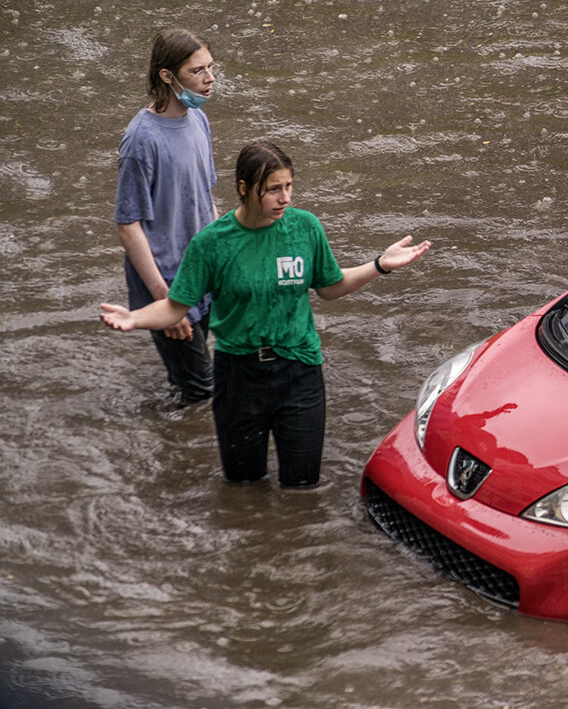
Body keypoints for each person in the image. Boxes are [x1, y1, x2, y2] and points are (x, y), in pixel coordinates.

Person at [101, 141, 432, 488]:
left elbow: (331, 286)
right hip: (238, 376)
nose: (285, 198)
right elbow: (175, 307)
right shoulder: (213, 243)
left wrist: (379, 265)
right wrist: (134, 318)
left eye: (288, 186)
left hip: (299, 371)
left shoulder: (304, 227)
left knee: (302, 487)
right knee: (242, 485)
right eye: (273, 189)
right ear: (244, 189)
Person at [114, 28, 220, 405]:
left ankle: (168, 438)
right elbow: (128, 225)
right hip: (168, 284)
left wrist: (225, 262)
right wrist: (169, 300)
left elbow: (206, 201)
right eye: (197, 71)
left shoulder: (198, 121)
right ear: (167, 76)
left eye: (211, 68)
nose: (210, 80)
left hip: (201, 275)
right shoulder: (141, 140)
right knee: (203, 391)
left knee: (188, 379)